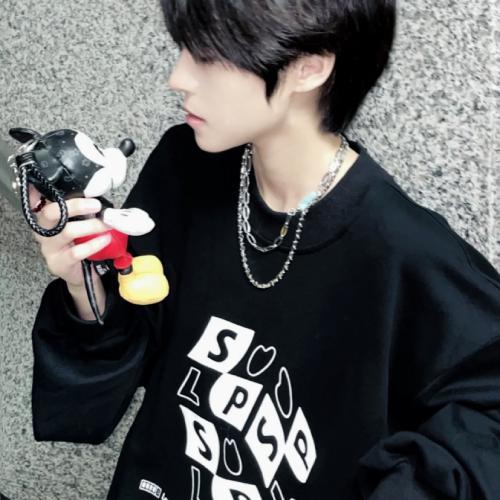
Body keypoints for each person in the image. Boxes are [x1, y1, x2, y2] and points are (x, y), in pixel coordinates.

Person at [29, 1, 500, 499]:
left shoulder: (404, 251)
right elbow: (124, 357)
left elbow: (483, 429)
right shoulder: (185, 166)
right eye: (184, 48)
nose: (178, 78)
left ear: (308, 67)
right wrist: (85, 286)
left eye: (208, 54)